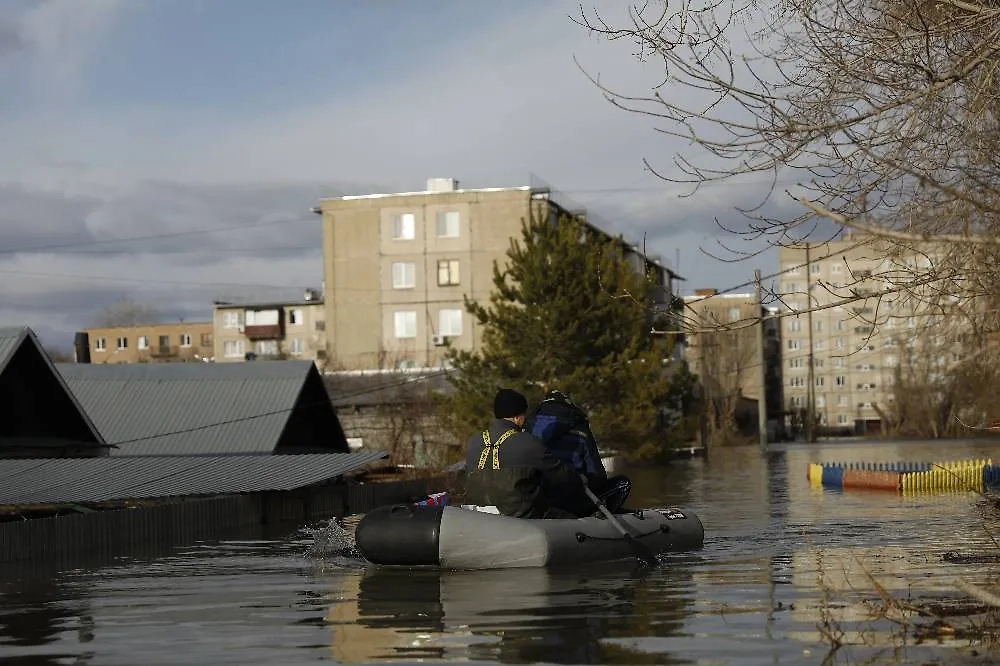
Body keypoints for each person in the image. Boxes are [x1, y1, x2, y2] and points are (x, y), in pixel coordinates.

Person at [463, 388, 584, 519]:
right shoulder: (528, 443)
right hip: (522, 521)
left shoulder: (473, 443)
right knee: (577, 522)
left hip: (480, 518)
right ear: (517, 417)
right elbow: (564, 479)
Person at [525, 389, 632, 516]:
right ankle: (601, 519)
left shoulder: (529, 426)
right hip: (572, 500)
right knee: (623, 483)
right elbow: (597, 475)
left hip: (538, 500)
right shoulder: (580, 427)